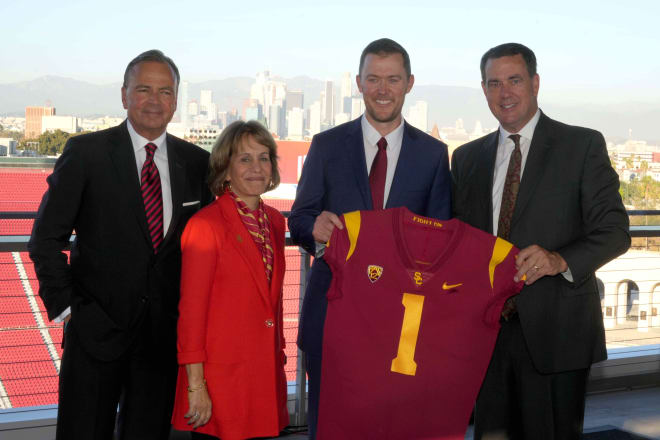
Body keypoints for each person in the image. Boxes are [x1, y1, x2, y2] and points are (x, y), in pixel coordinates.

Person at [28, 50, 214, 439]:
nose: (153, 100)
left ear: (176, 101)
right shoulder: (86, 153)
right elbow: (46, 238)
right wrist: (67, 309)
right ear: (124, 94)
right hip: (94, 335)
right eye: (143, 88)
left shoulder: (197, 162)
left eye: (165, 91)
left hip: (161, 339)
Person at [451, 42, 630, 439]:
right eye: (494, 83)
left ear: (535, 83)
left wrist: (559, 260)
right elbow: (457, 240)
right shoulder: (466, 159)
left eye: (514, 80)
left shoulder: (581, 146)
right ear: (483, 91)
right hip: (485, 336)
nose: (505, 93)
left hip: (557, 334)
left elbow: (615, 230)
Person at [288, 37, 451, 439]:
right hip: (333, 315)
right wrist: (315, 231)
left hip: (402, 325)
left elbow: (443, 238)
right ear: (358, 83)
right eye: (373, 79)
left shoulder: (433, 154)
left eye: (392, 79)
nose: (383, 89)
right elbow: (299, 218)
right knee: (329, 426)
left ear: (409, 83)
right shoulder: (326, 146)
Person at [171, 120, 289, 440]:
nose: (257, 167)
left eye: (264, 157)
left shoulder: (275, 223)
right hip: (220, 382)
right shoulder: (205, 225)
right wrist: (196, 387)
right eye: (244, 158)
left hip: (263, 376)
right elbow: (192, 315)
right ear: (225, 169)